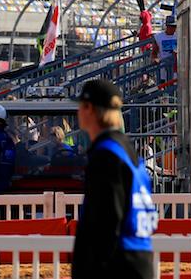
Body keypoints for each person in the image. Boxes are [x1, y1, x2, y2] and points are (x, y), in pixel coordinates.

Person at [72, 78, 155, 279]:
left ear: (89, 108)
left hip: (117, 264)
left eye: (80, 106)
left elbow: (106, 221)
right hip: (138, 258)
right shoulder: (125, 149)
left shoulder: (106, 155)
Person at [155, 16, 177, 82]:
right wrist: (155, 58)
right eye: (171, 26)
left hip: (175, 68)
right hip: (163, 68)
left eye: (175, 26)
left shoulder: (178, 36)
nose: (173, 29)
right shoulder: (159, 37)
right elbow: (154, 52)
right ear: (167, 26)